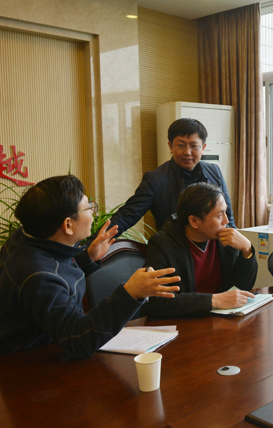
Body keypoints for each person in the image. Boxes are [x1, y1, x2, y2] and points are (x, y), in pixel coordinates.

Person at [0, 175, 180, 358]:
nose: (94, 213)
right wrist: (130, 293)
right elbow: (79, 339)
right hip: (25, 363)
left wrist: (87, 258)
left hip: (49, 347)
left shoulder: (25, 239)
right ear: (68, 225)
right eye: (89, 207)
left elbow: (57, 278)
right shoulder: (38, 276)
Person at [142, 182, 257, 318]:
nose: (226, 221)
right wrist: (214, 300)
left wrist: (247, 249)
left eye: (225, 212)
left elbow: (241, 288)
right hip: (185, 321)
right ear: (194, 221)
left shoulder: (225, 238)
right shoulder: (162, 244)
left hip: (221, 317)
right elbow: (157, 302)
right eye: (219, 215)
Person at [108, 118, 235, 236]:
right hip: (174, 247)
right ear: (170, 146)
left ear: (203, 148)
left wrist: (235, 246)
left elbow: (227, 215)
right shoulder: (155, 179)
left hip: (212, 246)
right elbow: (127, 215)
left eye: (194, 146)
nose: (187, 152)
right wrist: (99, 240)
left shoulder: (214, 172)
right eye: (181, 145)